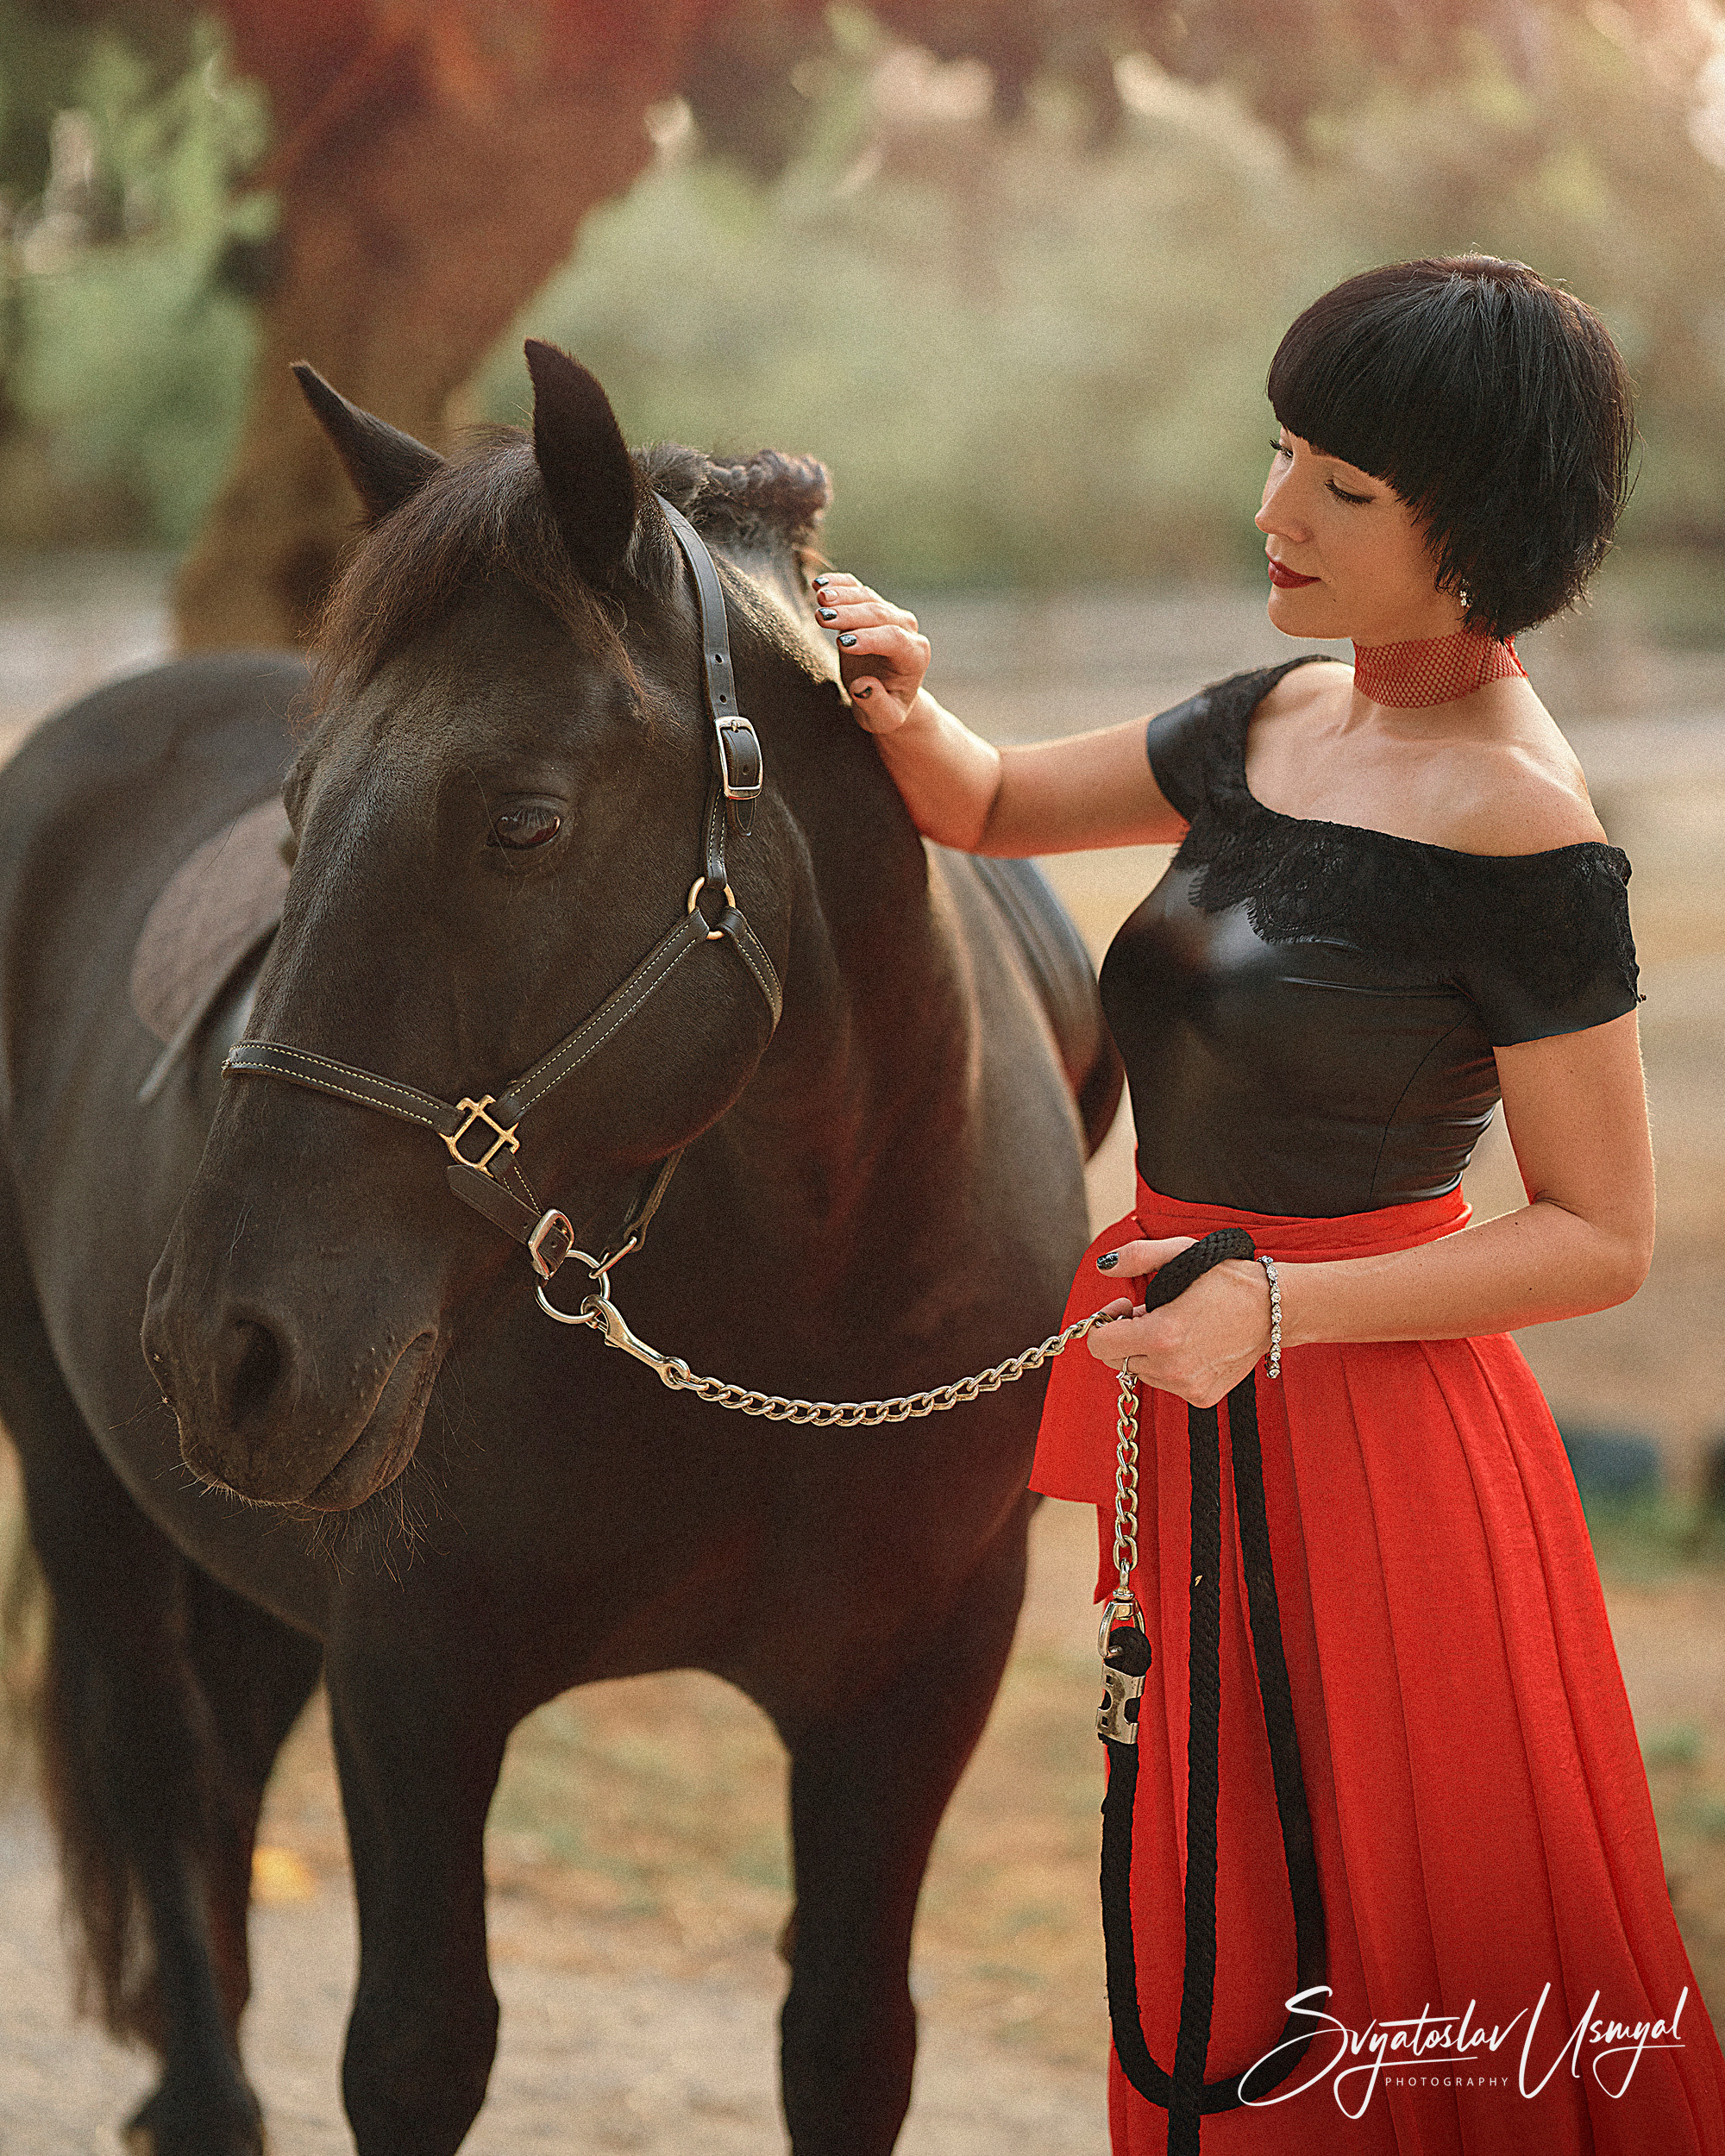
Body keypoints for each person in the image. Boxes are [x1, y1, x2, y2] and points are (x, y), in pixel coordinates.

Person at [811, 255, 1725, 2153]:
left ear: (1481, 534)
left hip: (1384, 1454)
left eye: (1343, 487)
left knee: (1385, 1933)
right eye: (1283, 449)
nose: (1273, 510)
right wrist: (900, 701)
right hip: (1193, 1399)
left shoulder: (1526, 831)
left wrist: (1278, 1309)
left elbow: (1602, 1232)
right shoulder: (1277, 712)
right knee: (1215, 1912)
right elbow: (990, 806)